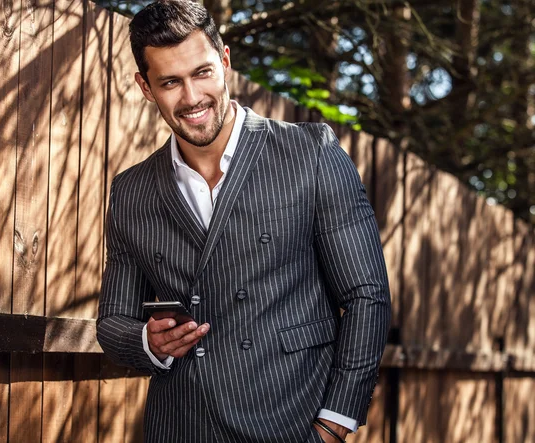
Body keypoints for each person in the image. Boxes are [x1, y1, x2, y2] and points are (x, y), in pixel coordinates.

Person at [97, 1, 391, 442]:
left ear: (225, 61)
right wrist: (147, 343)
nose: (192, 98)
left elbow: (367, 295)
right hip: (180, 427)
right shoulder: (131, 191)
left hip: (290, 422)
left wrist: (335, 423)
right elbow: (113, 320)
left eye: (202, 73)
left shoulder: (311, 154)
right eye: (171, 82)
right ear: (145, 87)